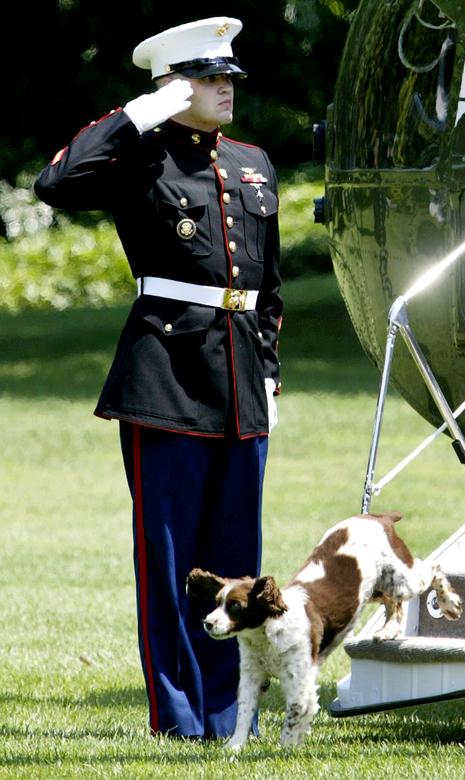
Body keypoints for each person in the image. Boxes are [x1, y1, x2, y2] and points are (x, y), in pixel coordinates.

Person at [34, 16, 282, 740]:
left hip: (239, 379)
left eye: (227, 76)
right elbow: (56, 182)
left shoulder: (252, 162)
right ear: (174, 87)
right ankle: (177, 715)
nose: (224, 88)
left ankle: (227, 711)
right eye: (207, 77)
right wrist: (137, 114)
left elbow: (265, 288)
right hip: (164, 375)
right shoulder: (139, 157)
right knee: (170, 557)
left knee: (238, 557)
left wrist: (269, 371)